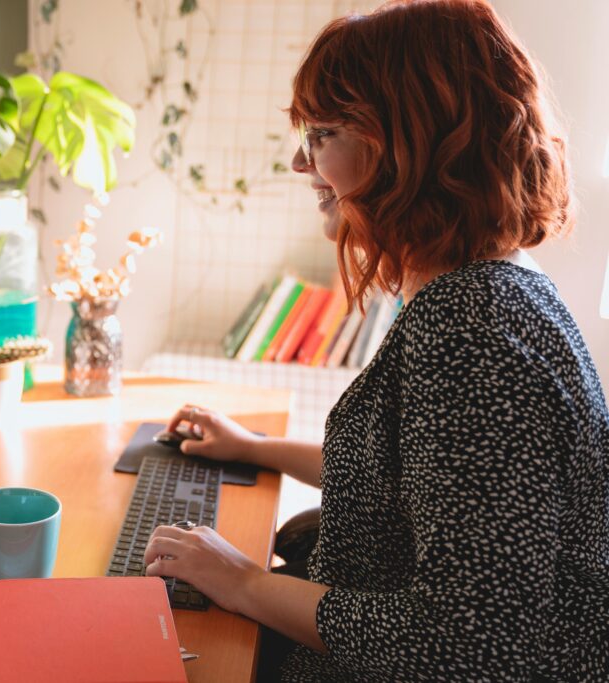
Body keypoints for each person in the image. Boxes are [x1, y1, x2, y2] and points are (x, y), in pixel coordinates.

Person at [143, 1, 609, 680]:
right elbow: (421, 486)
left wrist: (241, 580)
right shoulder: (486, 287)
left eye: (324, 132)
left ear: (409, 143)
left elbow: (463, 642)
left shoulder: (474, 334)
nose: (304, 163)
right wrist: (253, 447)